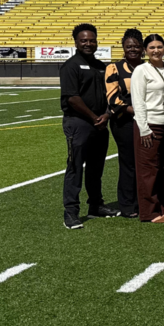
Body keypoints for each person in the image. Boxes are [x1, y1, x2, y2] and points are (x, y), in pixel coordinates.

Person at [60, 23, 118, 229]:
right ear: (76, 42)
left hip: (100, 124)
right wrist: (95, 117)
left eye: (92, 40)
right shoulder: (71, 66)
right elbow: (72, 98)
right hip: (79, 123)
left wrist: (107, 115)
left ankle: (96, 205)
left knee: (96, 167)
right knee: (75, 167)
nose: (88, 43)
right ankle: (71, 212)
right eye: (84, 40)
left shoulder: (101, 66)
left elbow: (110, 95)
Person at [131, 34, 164, 223]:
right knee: (148, 170)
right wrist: (143, 127)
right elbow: (138, 101)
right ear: (145, 51)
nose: (156, 50)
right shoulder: (141, 70)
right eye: (152, 48)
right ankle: (150, 212)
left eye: (159, 47)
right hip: (150, 124)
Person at [105, 28, 144, 218]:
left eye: (136, 46)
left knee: (144, 162)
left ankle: (143, 201)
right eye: (129, 46)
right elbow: (113, 99)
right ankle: (128, 205)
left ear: (142, 48)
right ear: (123, 47)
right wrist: (137, 112)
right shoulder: (114, 68)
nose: (133, 49)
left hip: (147, 122)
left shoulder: (148, 67)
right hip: (125, 122)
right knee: (129, 163)